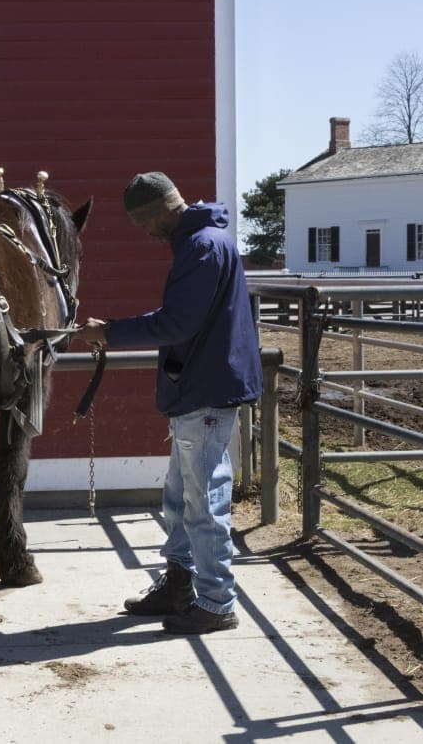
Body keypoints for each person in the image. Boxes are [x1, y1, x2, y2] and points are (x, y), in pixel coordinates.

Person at [74, 172, 262, 635]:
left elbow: (177, 324)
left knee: (203, 501)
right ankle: (179, 583)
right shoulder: (205, 241)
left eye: (143, 223)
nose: (144, 233)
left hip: (206, 390)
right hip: (200, 387)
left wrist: (110, 333)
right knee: (181, 499)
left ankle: (217, 603)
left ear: (161, 210)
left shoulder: (200, 247)